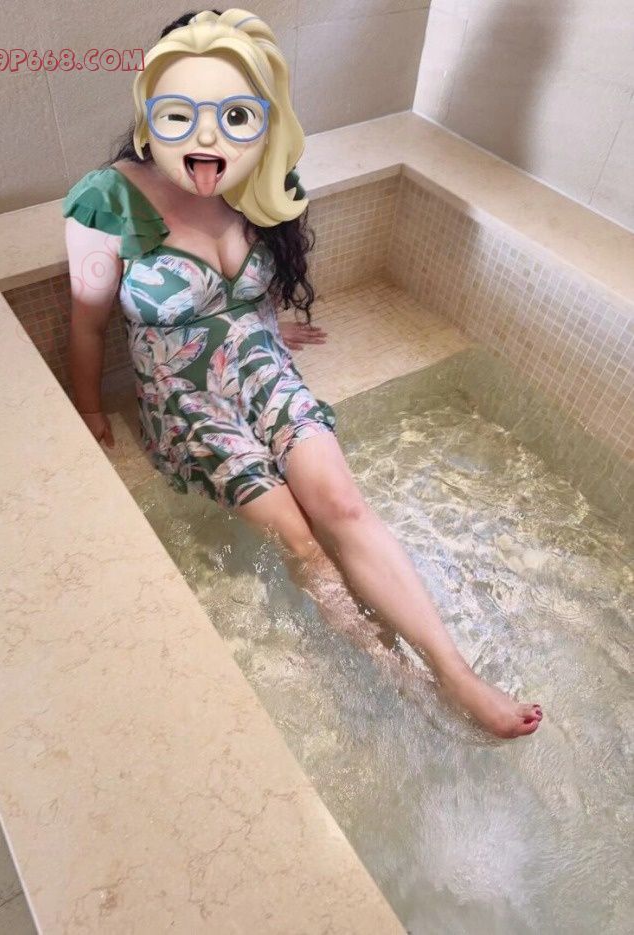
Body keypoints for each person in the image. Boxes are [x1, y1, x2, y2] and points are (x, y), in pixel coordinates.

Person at [62, 8, 542, 739]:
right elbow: (87, 322)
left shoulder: (256, 167)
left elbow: (250, 278)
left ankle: (456, 673)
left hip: (262, 366)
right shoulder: (107, 199)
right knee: (300, 536)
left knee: (341, 503)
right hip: (186, 398)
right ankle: (400, 678)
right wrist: (91, 408)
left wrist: (256, 321)